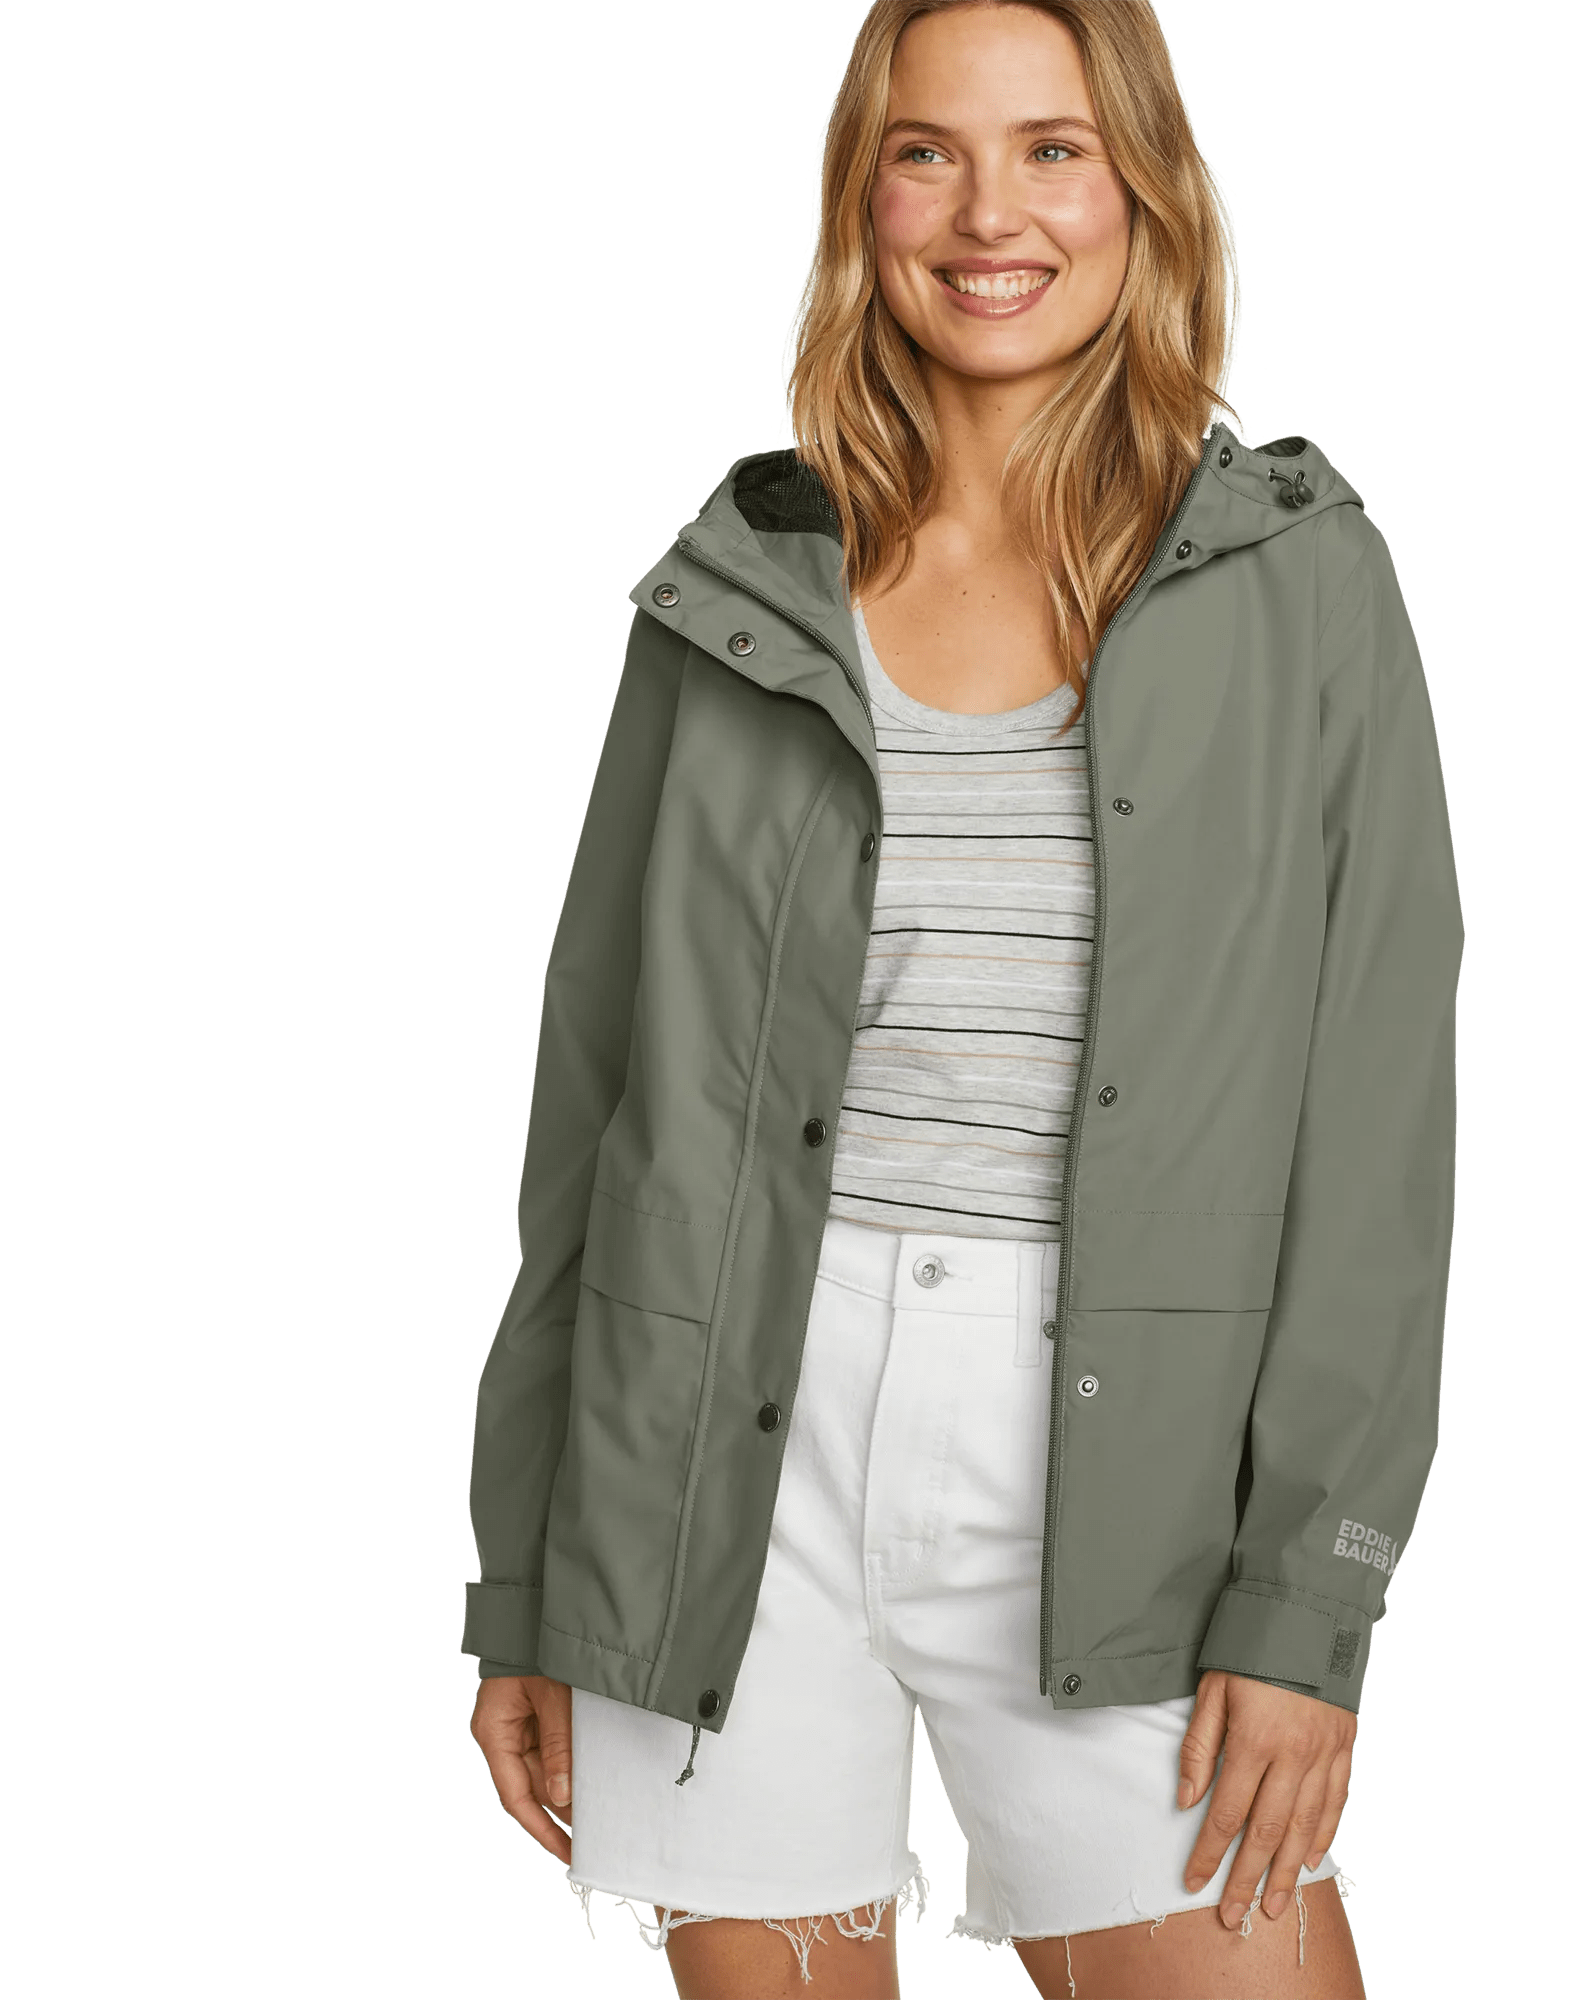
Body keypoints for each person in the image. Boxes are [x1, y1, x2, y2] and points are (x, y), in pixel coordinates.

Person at [461, 2, 1463, 1994]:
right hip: (722, 1428)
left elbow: (1379, 1126)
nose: (990, 212)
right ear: (863, 204)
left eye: (1053, 149)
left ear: (1146, 194)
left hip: (1130, 1449)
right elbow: (592, 1099)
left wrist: (1307, 1593)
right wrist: (525, 1570)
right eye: (927, 152)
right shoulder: (735, 585)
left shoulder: (1297, 572)